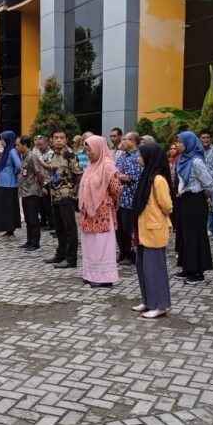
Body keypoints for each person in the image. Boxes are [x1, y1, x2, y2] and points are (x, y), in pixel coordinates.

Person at [131, 142, 173, 319]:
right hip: (144, 230)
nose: (138, 158)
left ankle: (160, 305)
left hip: (154, 229)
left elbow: (167, 206)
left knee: (154, 268)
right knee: (143, 266)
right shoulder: (146, 176)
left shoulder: (158, 179)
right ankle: (148, 301)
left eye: (141, 155)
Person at [78, 136, 122, 288]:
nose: (87, 153)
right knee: (90, 244)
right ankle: (90, 274)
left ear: (98, 148)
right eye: (86, 150)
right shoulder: (91, 165)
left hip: (102, 213)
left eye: (89, 150)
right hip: (88, 213)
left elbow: (116, 190)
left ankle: (104, 278)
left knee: (102, 245)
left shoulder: (108, 166)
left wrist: (112, 203)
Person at [175, 131, 213, 284]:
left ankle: (198, 272)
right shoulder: (182, 159)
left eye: (180, 142)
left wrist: (206, 196)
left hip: (196, 201)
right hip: (185, 201)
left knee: (195, 235)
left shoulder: (196, 161)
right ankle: (187, 268)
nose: (177, 144)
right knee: (185, 235)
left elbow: (209, 183)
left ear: (189, 143)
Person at [42, 127, 83, 268]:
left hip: (66, 196)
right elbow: (55, 172)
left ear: (66, 139)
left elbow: (78, 174)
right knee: (59, 228)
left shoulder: (70, 154)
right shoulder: (55, 154)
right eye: (56, 138)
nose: (59, 140)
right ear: (52, 140)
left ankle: (71, 259)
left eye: (62, 137)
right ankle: (60, 254)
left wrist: (73, 191)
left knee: (69, 228)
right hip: (55, 195)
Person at [116, 131, 143, 266]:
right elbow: (115, 173)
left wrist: (121, 177)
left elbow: (132, 177)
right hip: (119, 199)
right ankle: (123, 252)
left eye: (125, 139)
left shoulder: (138, 157)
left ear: (132, 141)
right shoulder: (121, 156)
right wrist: (121, 176)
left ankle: (131, 255)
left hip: (131, 200)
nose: (123, 141)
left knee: (129, 229)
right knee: (119, 229)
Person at [0, 131, 22, 236]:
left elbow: (18, 165)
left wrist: (13, 173)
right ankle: (7, 228)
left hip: (9, 184)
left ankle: (10, 229)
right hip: (2, 184)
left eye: (3, 139)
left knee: (9, 208)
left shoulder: (12, 151)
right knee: (4, 207)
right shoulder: (6, 151)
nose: (1, 141)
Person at [16, 135, 45, 251]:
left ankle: (35, 242)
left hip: (32, 192)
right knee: (28, 218)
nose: (16, 147)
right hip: (24, 192)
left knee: (33, 218)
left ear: (24, 145)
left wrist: (41, 186)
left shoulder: (32, 157)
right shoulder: (24, 156)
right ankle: (29, 240)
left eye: (18, 145)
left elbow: (40, 174)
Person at [33, 135, 54, 230]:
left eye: (41, 144)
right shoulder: (36, 153)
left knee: (48, 205)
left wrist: (40, 162)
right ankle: (43, 221)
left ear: (47, 143)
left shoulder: (51, 153)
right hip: (38, 182)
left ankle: (51, 223)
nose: (39, 146)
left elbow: (51, 167)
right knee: (39, 204)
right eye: (37, 145)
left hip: (48, 181)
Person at [168, 140, 180, 233]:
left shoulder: (179, 160)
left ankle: (176, 225)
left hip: (177, 186)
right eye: (171, 149)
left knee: (176, 206)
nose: (172, 150)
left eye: (174, 149)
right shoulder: (168, 160)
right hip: (169, 186)